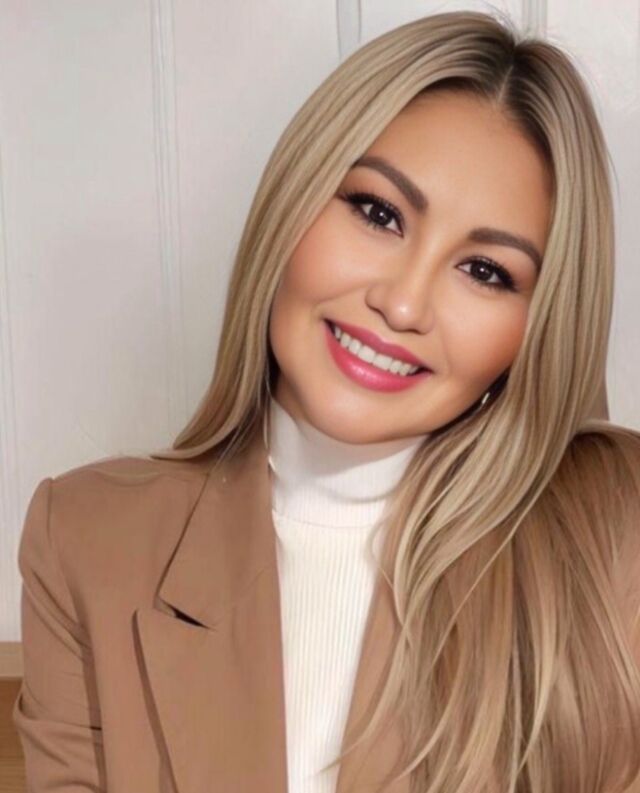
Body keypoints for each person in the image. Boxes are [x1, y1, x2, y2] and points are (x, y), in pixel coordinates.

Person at [13, 9, 640, 793]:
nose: (403, 303)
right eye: (379, 214)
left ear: (537, 328)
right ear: (293, 201)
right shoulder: (88, 538)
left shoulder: (611, 536)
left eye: (485, 271)